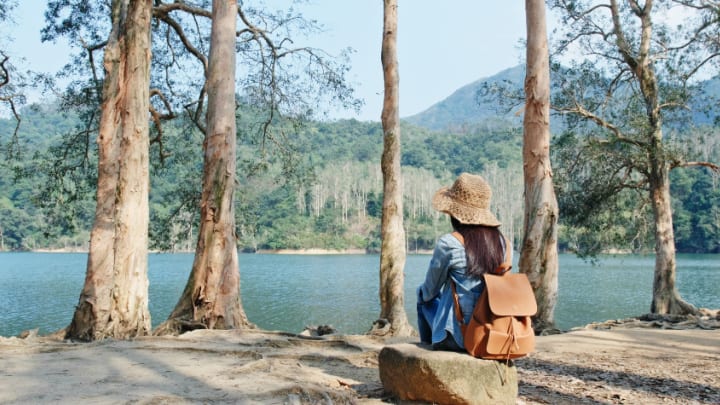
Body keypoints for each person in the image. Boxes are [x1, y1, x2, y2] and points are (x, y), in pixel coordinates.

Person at [417, 172, 510, 351]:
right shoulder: (504, 243)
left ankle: (427, 349)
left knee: (422, 296)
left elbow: (430, 291)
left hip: (458, 336)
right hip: (493, 333)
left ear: (454, 213)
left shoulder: (449, 243)